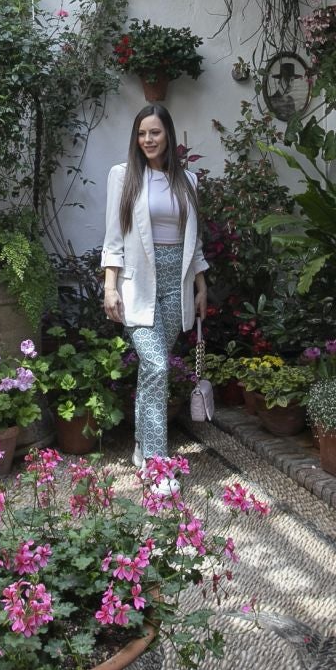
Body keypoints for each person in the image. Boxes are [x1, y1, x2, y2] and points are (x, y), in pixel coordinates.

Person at [102, 103, 207, 481]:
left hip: (175, 284)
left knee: (152, 372)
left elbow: (192, 243)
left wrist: (200, 285)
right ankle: (160, 469)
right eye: (142, 133)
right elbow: (113, 238)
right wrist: (110, 286)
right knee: (158, 366)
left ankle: (142, 448)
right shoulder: (123, 176)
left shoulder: (188, 182)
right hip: (137, 287)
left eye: (155, 132)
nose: (148, 139)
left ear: (168, 136)